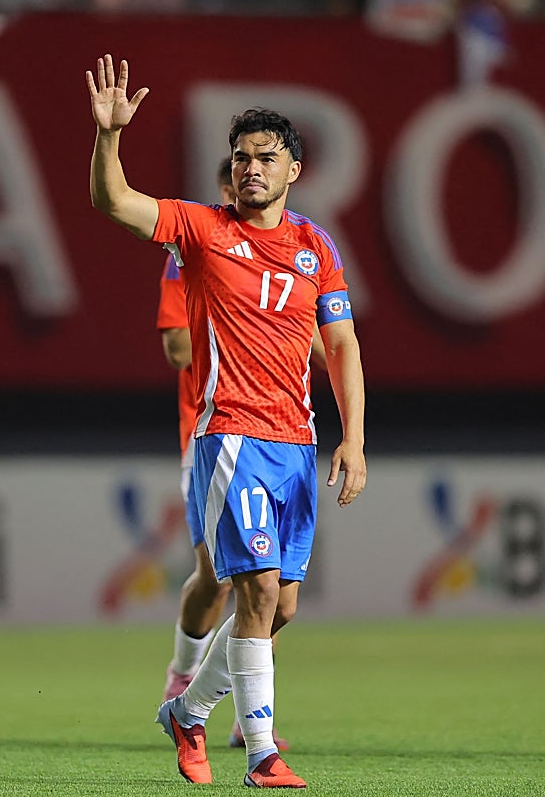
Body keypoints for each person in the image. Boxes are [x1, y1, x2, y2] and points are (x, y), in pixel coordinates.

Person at [87, 54, 366, 788]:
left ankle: (188, 710)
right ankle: (265, 752)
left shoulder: (316, 248)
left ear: (293, 170)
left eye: (265, 159)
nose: (250, 169)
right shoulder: (201, 232)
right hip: (230, 437)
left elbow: (340, 344)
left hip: (297, 443)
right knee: (256, 589)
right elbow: (112, 201)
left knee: (282, 608)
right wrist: (109, 138)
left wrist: (355, 439)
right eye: (241, 158)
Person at [159, 157, 330, 754]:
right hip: (213, 433)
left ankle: (221, 711)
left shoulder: (298, 250)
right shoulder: (195, 250)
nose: (243, 186)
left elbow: (317, 338)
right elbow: (179, 347)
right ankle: (186, 678)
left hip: (283, 437)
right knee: (222, 578)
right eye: (236, 175)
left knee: (270, 588)